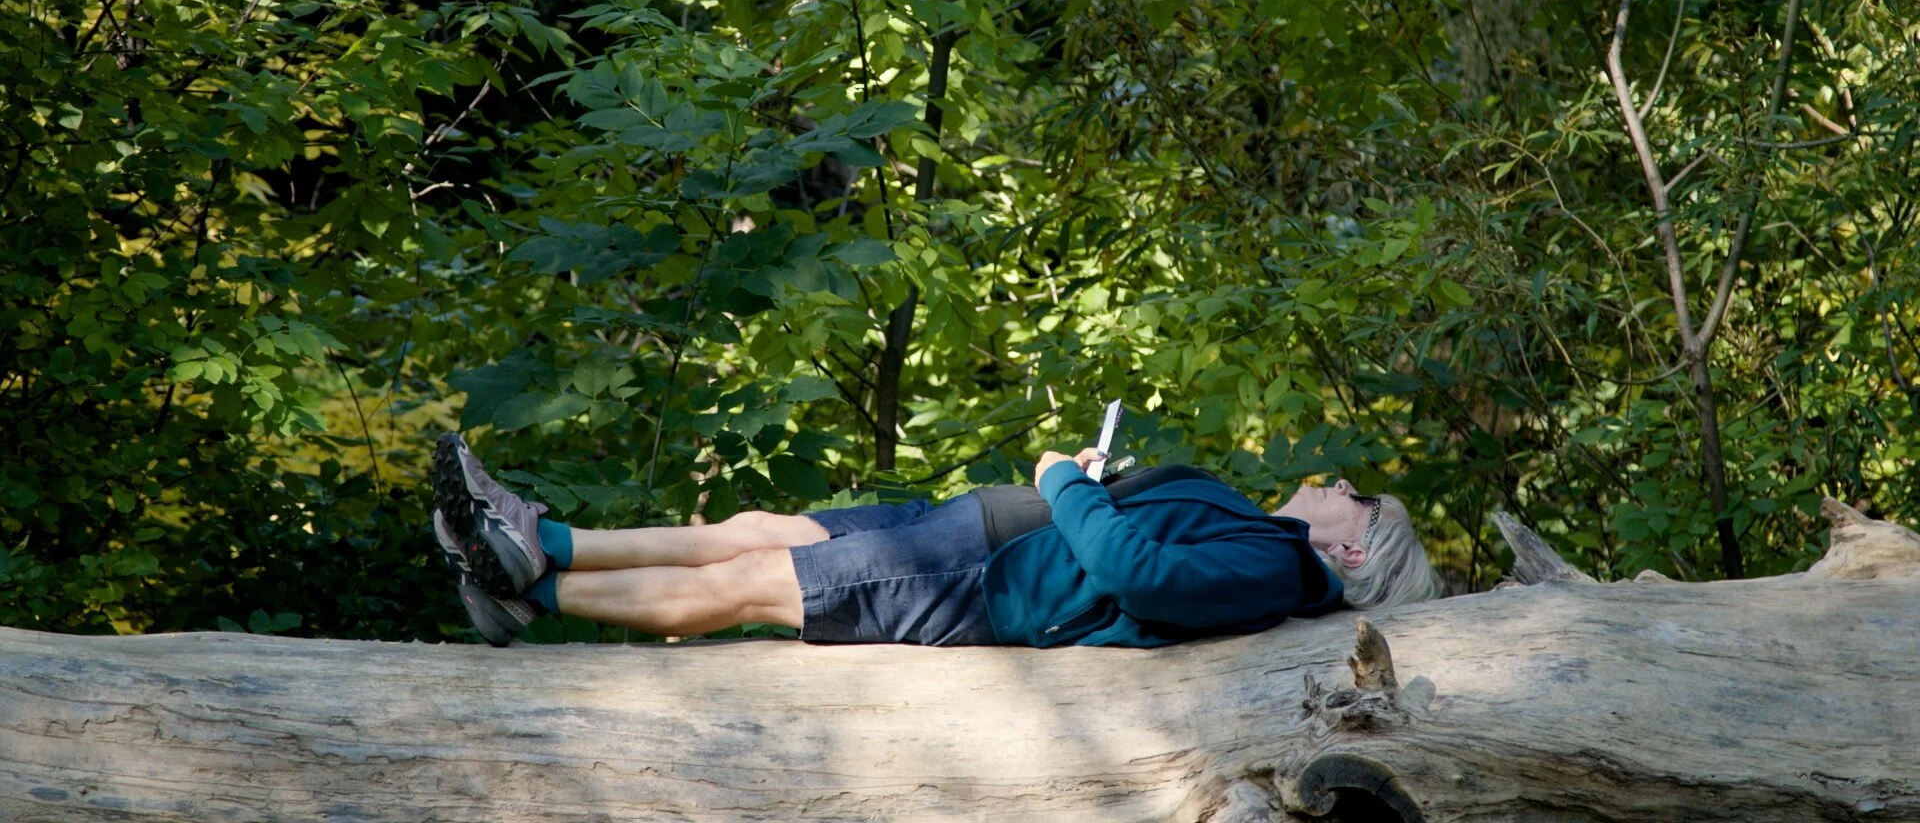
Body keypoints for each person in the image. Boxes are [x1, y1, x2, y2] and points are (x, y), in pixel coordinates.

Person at [429, 432, 1438, 648]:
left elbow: (1136, 573)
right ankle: (537, 538)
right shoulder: (1263, 539)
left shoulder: (1273, 566)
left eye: (1365, 502)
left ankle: (536, 594)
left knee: (748, 581)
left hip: (979, 577)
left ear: (1353, 555)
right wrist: (1089, 483)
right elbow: (1139, 539)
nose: (1350, 486)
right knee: (752, 530)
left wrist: (1060, 485)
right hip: (975, 534)